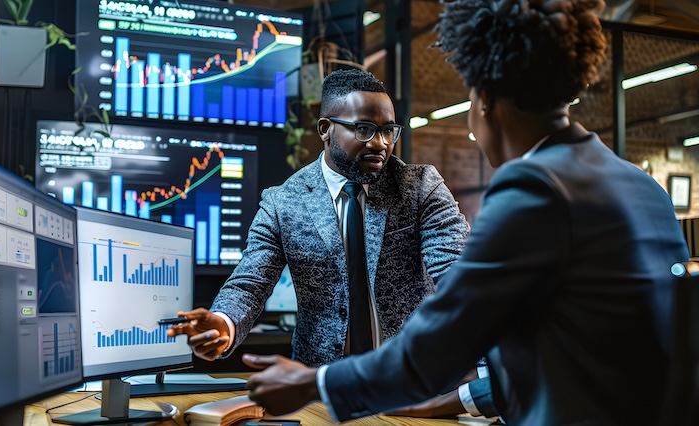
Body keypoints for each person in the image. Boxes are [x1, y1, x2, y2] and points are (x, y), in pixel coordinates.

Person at [241, 0, 691, 424]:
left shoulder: (534, 187)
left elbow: (447, 338)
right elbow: (589, 347)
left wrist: (313, 383)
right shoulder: (640, 185)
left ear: (485, 100)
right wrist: (462, 400)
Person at [167, 68, 470, 370]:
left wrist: (487, 372)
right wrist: (223, 324)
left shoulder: (419, 186)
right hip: (318, 386)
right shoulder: (283, 202)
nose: (380, 143)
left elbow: (457, 275)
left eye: (387, 130)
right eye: (364, 129)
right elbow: (250, 283)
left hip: (414, 379)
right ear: (325, 128)